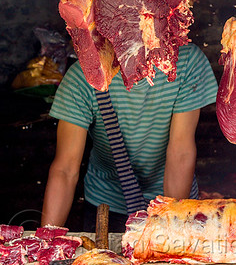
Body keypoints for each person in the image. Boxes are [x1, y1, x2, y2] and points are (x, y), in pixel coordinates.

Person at [41, 43, 218, 232]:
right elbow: (65, 170)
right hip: (106, 205)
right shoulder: (82, 77)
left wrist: (173, 228)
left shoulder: (185, 61)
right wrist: (45, 241)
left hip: (174, 203)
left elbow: (180, 153)